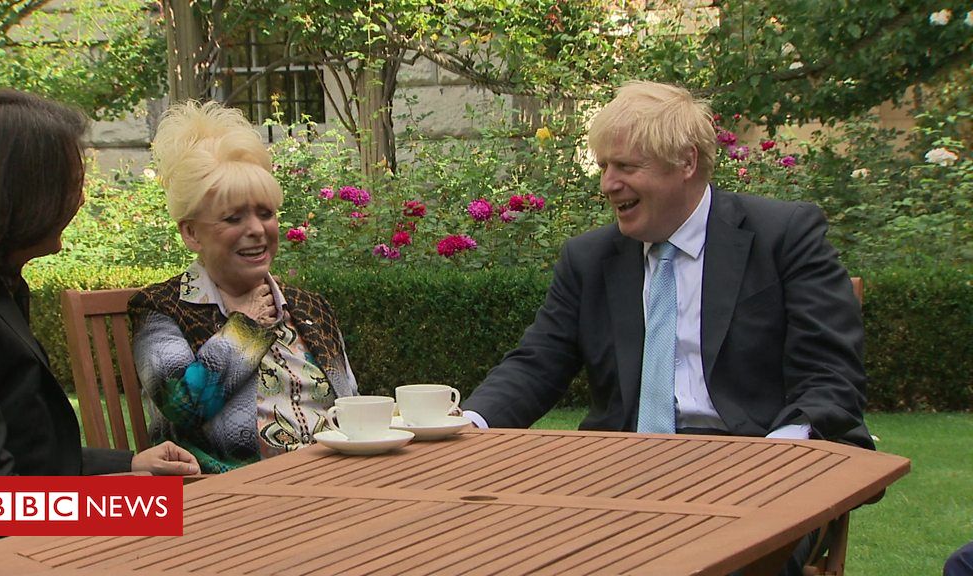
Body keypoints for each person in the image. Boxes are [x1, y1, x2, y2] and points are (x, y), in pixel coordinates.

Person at [460, 81, 873, 576]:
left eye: (626, 167)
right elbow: (537, 363)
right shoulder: (590, 259)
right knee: (504, 551)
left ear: (687, 163)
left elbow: (830, 377)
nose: (608, 184)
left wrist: (774, 459)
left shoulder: (784, 237)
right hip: (618, 479)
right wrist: (469, 424)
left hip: (754, 474)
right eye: (604, 167)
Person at [0, 89, 200, 525]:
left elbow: (32, 456)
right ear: (23, 193)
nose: (81, 200)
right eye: (70, 185)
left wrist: (129, 464)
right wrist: (137, 507)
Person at [128, 101, 359, 474]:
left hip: (334, 481)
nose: (256, 229)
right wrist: (245, 330)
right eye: (233, 217)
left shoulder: (309, 308)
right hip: (230, 495)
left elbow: (351, 403)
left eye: (265, 214)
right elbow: (183, 407)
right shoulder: (160, 308)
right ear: (191, 233)